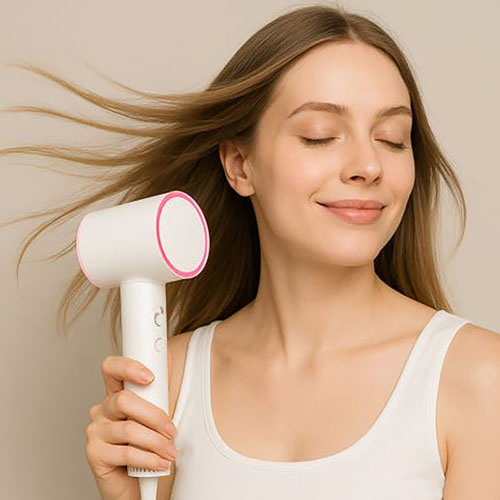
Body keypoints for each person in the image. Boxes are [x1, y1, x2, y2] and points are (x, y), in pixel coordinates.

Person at [3, 4, 499, 500]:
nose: (368, 165)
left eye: (392, 139)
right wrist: (127, 497)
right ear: (240, 165)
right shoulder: (167, 380)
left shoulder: (478, 379)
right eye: (320, 136)